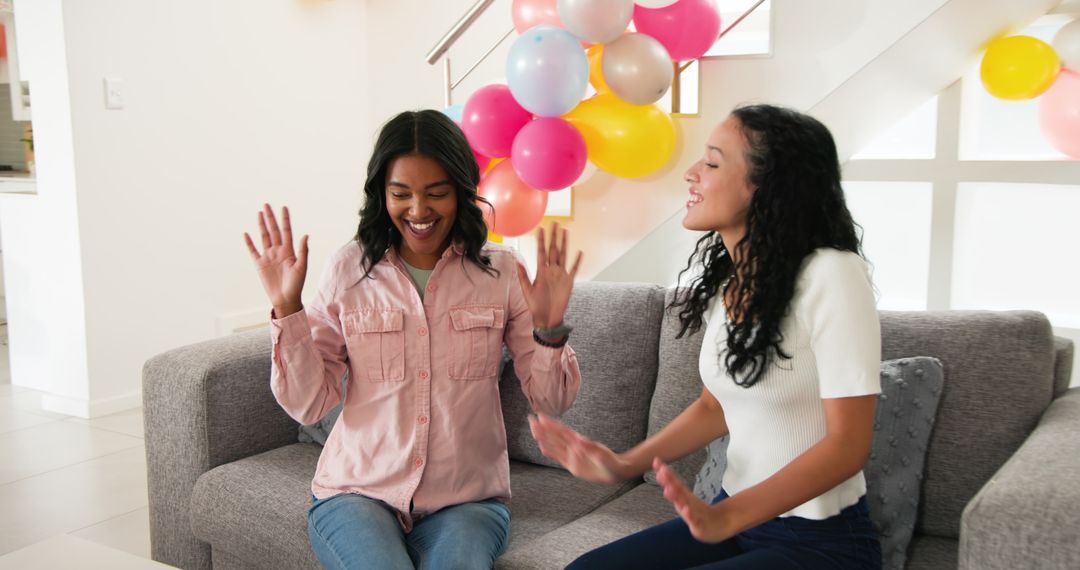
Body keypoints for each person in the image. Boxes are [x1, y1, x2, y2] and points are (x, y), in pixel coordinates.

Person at [529, 104, 883, 569]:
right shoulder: (730, 286)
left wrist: (728, 516)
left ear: (767, 186)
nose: (692, 174)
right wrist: (622, 464)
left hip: (818, 543)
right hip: (733, 521)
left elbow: (847, 447)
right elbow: (714, 406)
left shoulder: (833, 273)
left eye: (713, 163)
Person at [243, 109, 584, 570]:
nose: (419, 211)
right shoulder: (348, 269)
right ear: (381, 194)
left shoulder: (501, 273)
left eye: (436, 193)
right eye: (400, 194)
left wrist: (549, 331)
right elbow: (309, 404)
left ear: (462, 193)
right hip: (358, 491)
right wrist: (288, 309)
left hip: (468, 500)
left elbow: (552, 400)